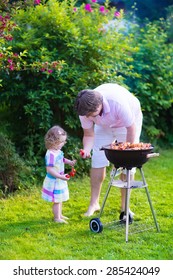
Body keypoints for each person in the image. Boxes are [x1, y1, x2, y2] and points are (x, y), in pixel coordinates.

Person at [74, 83, 143, 221]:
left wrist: (126, 152)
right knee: (97, 160)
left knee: (128, 164)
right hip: (104, 126)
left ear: (99, 105)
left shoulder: (117, 103)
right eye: (86, 115)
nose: (88, 118)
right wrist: (87, 149)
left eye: (91, 115)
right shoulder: (84, 109)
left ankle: (125, 206)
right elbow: (88, 135)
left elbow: (131, 128)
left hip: (127, 125)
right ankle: (94, 203)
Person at [42, 125, 76, 223]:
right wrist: (60, 176)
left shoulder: (58, 151)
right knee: (57, 200)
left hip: (59, 179)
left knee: (60, 198)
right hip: (54, 180)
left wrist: (69, 162)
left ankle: (59, 215)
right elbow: (49, 169)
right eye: (61, 141)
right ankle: (57, 218)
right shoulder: (50, 154)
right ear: (53, 141)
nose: (63, 143)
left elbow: (61, 159)